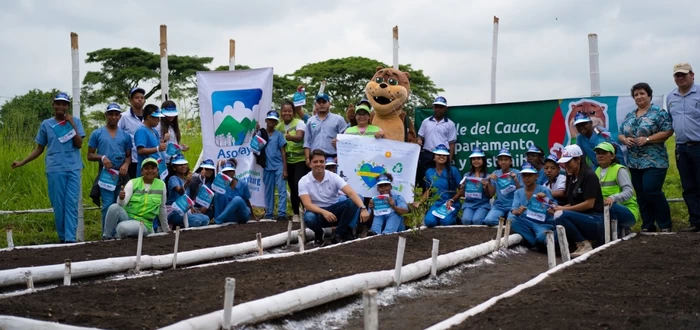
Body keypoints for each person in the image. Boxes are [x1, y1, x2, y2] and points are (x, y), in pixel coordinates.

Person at [12, 92, 85, 243]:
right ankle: (62, 237)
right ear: (53, 105)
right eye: (58, 103)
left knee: (71, 203)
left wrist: (71, 123)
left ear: (67, 106)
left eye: (64, 104)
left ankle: (71, 239)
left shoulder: (75, 121)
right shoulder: (47, 124)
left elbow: (79, 144)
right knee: (58, 205)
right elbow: (39, 148)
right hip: (55, 169)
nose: (61, 106)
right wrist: (22, 162)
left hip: (73, 168)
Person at [618, 83, 673, 232]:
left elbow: (668, 131)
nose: (639, 97)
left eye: (642, 93)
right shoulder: (630, 115)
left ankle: (665, 225)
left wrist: (648, 139)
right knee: (641, 194)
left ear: (649, 95)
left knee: (651, 190)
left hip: (655, 161)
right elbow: (621, 133)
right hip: (634, 162)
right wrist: (624, 139)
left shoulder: (658, 113)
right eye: (636, 94)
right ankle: (648, 225)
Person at [299, 149, 370, 246]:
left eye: (321, 161)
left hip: (334, 211)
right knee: (309, 217)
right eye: (315, 162)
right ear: (310, 164)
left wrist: (363, 208)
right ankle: (319, 233)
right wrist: (324, 212)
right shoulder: (304, 181)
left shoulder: (333, 177)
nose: (319, 164)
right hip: (317, 212)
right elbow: (307, 204)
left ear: (324, 163)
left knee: (356, 200)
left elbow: (351, 193)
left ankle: (338, 234)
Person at [552, 145, 605, 257]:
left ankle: (583, 244)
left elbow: (589, 204)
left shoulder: (590, 176)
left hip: (595, 220)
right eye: (565, 163)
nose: (566, 166)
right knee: (554, 231)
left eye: (569, 162)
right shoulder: (571, 178)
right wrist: (557, 208)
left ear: (578, 159)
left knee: (560, 215)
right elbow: (574, 203)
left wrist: (563, 209)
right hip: (582, 218)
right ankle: (581, 242)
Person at [87, 103, 132, 230]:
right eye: (111, 114)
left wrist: (126, 164)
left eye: (116, 114)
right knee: (107, 204)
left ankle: (120, 231)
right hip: (106, 175)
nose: (113, 117)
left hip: (121, 175)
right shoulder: (97, 133)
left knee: (121, 203)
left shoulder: (125, 135)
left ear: (120, 116)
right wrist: (102, 157)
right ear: (106, 115)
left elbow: (129, 156)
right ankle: (106, 233)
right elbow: (90, 155)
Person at [666, 63, 700, 232]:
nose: (680, 78)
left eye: (683, 75)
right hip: (681, 147)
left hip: (699, 145)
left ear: (692, 75)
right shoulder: (670, 97)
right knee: (688, 186)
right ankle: (695, 222)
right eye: (677, 75)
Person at [103, 158, 170, 239]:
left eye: (153, 168)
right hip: (127, 217)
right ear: (142, 171)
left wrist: (166, 230)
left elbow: (162, 208)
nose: (150, 171)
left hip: (144, 223)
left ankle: (117, 241)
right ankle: (106, 238)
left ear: (157, 170)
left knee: (122, 228)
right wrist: (121, 198)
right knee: (113, 207)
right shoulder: (133, 182)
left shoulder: (161, 185)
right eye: (146, 168)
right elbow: (121, 204)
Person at [593, 142, 640, 234]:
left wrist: (613, 198)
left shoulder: (619, 169)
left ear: (612, 156)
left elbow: (629, 191)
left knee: (610, 207)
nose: (600, 156)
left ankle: (616, 235)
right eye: (598, 153)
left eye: (604, 153)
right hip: (606, 208)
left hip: (627, 211)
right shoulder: (597, 171)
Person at [509, 162, 557, 249]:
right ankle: (534, 242)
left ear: (536, 176)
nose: (527, 178)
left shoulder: (544, 190)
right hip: (526, 222)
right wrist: (518, 211)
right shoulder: (518, 192)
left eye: (530, 175)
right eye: (524, 175)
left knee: (542, 237)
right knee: (511, 220)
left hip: (543, 224)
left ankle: (536, 241)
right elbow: (514, 210)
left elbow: (554, 207)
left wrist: (547, 200)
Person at [413, 144, 462, 227]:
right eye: (439, 155)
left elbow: (461, 189)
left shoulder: (453, 170)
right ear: (434, 157)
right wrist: (420, 202)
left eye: (444, 155)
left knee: (445, 222)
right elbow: (429, 190)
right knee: (429, 222)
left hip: (450, 203)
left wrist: (452, 200)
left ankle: (456, 218)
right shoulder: (429, 172)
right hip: (436, 203)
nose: (442, 157)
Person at [276, 100, 308, 222]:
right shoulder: (279, 126)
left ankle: (306, 210)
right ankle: (295, 213)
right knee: (291, 187)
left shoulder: (299, 122)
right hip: (287, 161)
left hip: (300, 160)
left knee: (298, 185)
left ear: (293, 112)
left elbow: (300, 136)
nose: (287, 113)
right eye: (284, 111)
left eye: (289, 111)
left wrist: (291, 137)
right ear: (281, 112)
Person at [416, 96, 457, 191]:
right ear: (433, 107)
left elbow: (451, 143)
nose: (438, 109)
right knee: (425, 178)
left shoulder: (450, 124)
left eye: (441, 107)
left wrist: (450, 160)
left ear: (445, 109)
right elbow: (420, 137)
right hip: (427, 153)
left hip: (442, 155)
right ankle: (425, 201)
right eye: (436, 106)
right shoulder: (426, 122)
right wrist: (419, 140)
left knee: (442, 178)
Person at [165, 154, 209, 228]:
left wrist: (191, 207)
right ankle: (178, 225)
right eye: (180, 165)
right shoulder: (173, 178)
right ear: (174, 168)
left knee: (206, 219)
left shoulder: (185, 179)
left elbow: (187, 197)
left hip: (185, 210)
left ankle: (182, 223)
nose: (183, 166)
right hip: (174, 211)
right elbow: (180, 192)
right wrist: (187, 183)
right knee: (197, 221)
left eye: (184, 164)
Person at [303, 93, 347, 165]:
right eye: (319, 102)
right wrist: (307, 158)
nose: (321, 104)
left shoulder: (339, 120)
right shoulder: (310, 121)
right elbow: (307, 141)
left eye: (324, 102)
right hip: (315, 159)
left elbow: (345, 140)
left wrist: (340, 156)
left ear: (329, 103)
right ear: (315, 105)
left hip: (333, 159)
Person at [484, 148, 523, 226]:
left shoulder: (517, 173)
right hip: (499, 205)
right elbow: (491, 194)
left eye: (506, 159)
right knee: (489, 220)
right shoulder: (495, 173)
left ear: (510, 161)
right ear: (498, 162)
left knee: (512, 222)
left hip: (513, 205)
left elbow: (521, 193)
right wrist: (489, 182)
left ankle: (507, 218)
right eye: (501, 160)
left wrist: (515, 180)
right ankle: (504, 220)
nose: (503, 162)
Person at [261, 110, 288, 220]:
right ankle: (269, 213)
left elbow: (283, 151)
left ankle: (282, 213)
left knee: (282, 190)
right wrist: (256, 132)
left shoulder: (279, 135)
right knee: (269, 191)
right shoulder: (261, 134)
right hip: (267, 167)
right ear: (266, 120)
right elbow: (255, 147)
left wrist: (285, 169)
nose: (271, 122)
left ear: (276, 123)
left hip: (279, 166)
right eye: (270, 120)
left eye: (274, 121)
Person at [118, 87, 146, 179]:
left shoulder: (149, 117)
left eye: (142, 97)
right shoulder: (124, 117)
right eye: (137, 97)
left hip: (148, 159)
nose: (140, 99)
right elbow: (118, 134)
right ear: (130, 100)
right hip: (132, 160)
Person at [458, 148, 491, 225]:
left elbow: (489, 195)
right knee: (466, 221)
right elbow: (463, 194)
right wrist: (462, 187)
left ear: (483, 160)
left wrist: (486, 186)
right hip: (469, 204)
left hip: (482, 204)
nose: (476, 161)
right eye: (473, 159)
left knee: (477, 221)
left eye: (478, 158)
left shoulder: (487, 176)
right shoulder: (466, 175)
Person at [134, 104, 167, 177]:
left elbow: (155, 145)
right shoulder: (141, 131)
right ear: (149, 117)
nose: (159, 120)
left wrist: (162, 142)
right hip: (147, 173)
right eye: (157, 118)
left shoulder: (154, 130)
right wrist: (158, 148)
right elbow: (140, 150)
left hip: (157, 170)